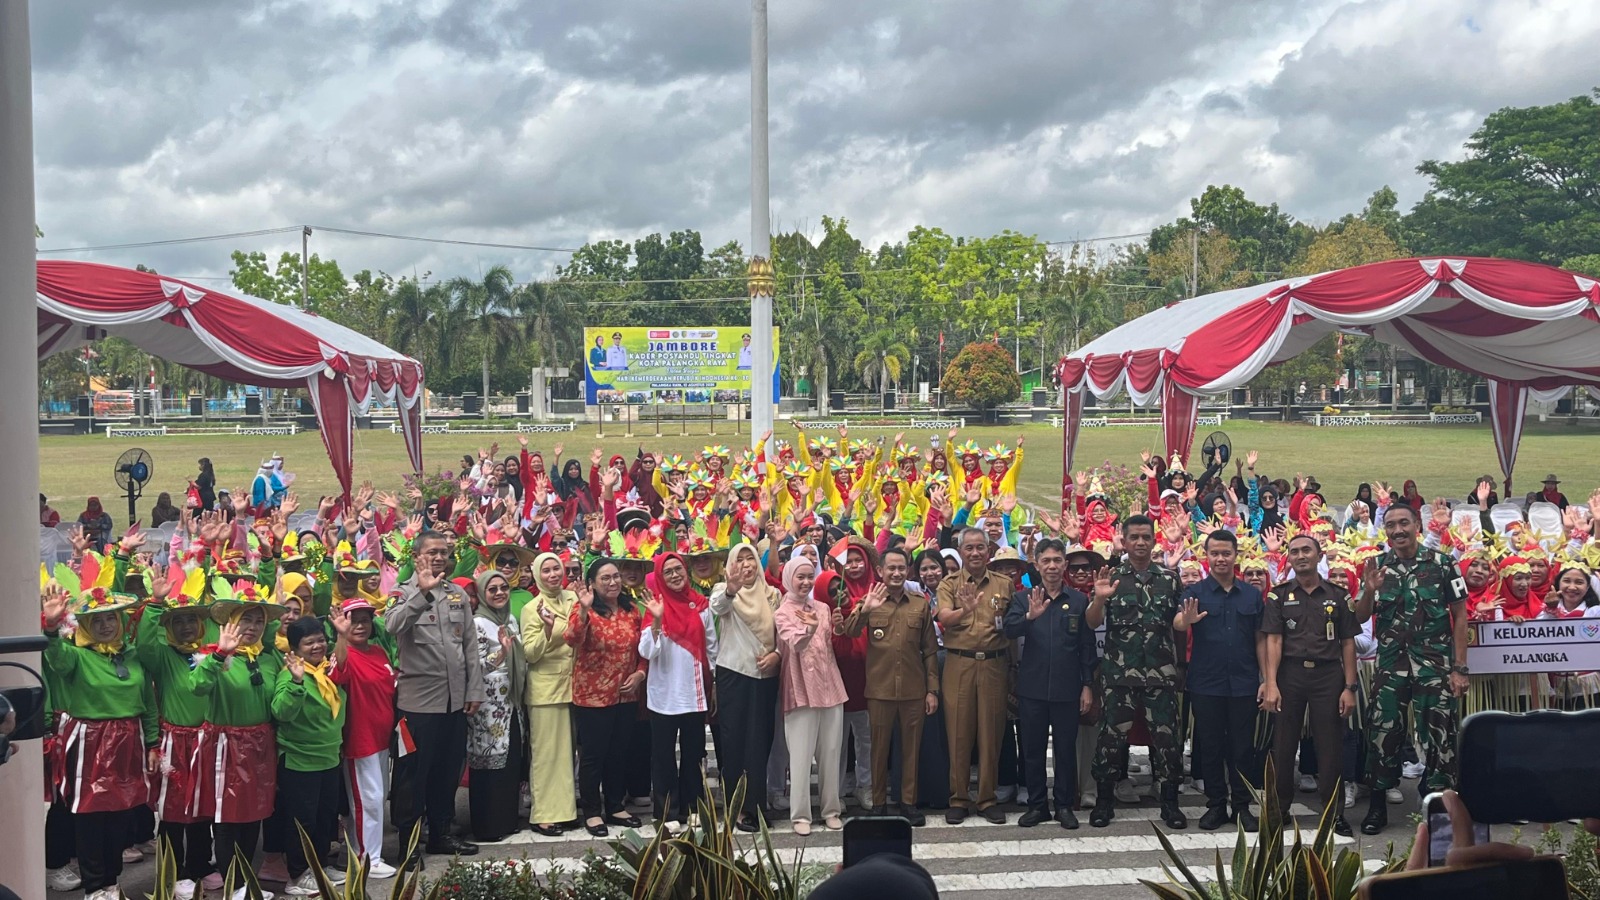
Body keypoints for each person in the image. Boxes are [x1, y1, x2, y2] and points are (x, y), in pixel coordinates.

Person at [1352, 503, 1470, 834]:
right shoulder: (1377, 566)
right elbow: (1360, 616)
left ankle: (1438, 805)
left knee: (1439, 733)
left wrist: (1460, 668)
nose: (1398, 530)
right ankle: (1377, 807)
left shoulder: (1443, 564)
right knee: (1382, 731)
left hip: (1434, 665)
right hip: (1391, 666)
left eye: (1404, 523)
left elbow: (1460, 615)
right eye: (1391, 525)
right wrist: (1369, 590)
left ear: (1417, 524)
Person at [40, 577, 158, 900]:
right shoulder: (76, 656)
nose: (105, 625)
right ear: (85, 625)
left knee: (122, 813)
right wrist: (51, 628)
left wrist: (153, 743)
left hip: (129, 740)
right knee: (90, 814)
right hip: (89, 741)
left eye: (110, 618)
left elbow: (148, 704)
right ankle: (94, 886)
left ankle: (111, 880)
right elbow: (55, 657)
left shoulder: (132, 656)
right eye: (97, 620)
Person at [384, 531, 485, 865]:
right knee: (411, 778)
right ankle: (409, 843)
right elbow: (392, 625)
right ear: (417, 558)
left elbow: (469, 646)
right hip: (418, 706)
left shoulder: (457, 594)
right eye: (432, 552)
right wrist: (422, 594)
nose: (440, 558)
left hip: (454, 703)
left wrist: (474, 689)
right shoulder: (403, 592)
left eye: (444, 552)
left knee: (447, 772)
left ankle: (441, 834)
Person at [1086, 515, 1187, 829]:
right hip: (1119, 674)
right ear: (1125, 541)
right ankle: (1104, 802)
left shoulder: (1170, 579)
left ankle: (1170, 804)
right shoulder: (1112, 577)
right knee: (1110, 740)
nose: (1140, 542)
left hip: (1161, 673)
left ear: (1154, 541)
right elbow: (1092, 621)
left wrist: (1186, 626)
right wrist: (1099, 598)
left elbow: (1177, 623)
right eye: (1134, 537)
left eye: (1146, 537)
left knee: (1168, 740)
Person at [1259, 534, 1359, 835]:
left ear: (1319, 555)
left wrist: (1349, 688)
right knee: (1283, 745)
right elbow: (1273, 640)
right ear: (1288, 558)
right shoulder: (1278, 596)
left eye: (1306, 550)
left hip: (1328, 676)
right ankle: (1279, 810)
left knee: (1330, 747)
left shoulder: (1338, 595)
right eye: (1294, 552)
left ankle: (1333, 814)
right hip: (1290, 674)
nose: (1301, 556)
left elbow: (1347, 643)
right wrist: (1271, 683)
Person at [195, 582, 285, 900]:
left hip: (260, 745)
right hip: (226, 745)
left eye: (259, 621)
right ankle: (233, 885)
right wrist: (220, 654)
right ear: (231, 622)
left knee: (254, 814)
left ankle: (244, 882)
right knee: (227, 819)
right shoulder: (214, 657)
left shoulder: (269, 659)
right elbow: (197, 686)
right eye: (246, 619)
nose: (252, 626)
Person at [1175, 530, 1266, 832]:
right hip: (1206, 682)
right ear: (1207, 556)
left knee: (1242, 748)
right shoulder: (1195, 592)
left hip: (1244, 682)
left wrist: (1266, 679)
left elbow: (1260, 639)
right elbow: (1178, 622)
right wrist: (1186, 620)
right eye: (1215, 553)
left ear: (1235, 555)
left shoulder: (1251, 595)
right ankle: (1216, 805)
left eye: (1226, 553)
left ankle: (1241, 806)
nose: (1221, 559)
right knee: (1211, 746)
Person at [844, 546, 940, 826]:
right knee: (878, 749)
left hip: (914, 689)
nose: (896, 573)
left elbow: (930, 651)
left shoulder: (920, 604)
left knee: (911, 748)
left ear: (908, 571)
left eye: (901, 568)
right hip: (880, 690)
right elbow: (849, 631)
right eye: (891, 568)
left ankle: (908, 802)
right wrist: (865, 610)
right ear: (880, 571)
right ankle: (878, 803)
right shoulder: (871, 600)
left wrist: (932, 690)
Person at [1003, 539, 1096, 830]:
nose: (1052, 566)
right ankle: (1037, 805)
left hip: (1068, 688)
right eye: (1046, 561)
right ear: (1037, 564)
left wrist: (1087, 685)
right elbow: (1008, 630)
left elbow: (1086, 646)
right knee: (1032, 750)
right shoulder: (1023, 599)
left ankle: (1064, 806)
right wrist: (1029, 617)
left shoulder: (1078, 601)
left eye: (1057, 560)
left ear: (1064, 564)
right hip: (1032, 687)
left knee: (1065, 751)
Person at [136, 567, 218, 897]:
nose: (186, 627)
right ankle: (174, 870)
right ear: (169, 627)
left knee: (203, 806)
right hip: (175, 742)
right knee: (172, 810)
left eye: (191, 620)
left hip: (207, 740)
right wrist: (156, 604)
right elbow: (144, 645)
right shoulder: (163, 656)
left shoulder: (211, 653)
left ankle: (200, 864)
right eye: (178, 621)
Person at [934, 527, 1014, 825]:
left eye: (981, 547)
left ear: (989, 550)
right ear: (961, 551)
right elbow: (944, 617)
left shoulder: (1004, 584)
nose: (976, 553)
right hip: (960, 663)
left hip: (994, 664)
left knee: (991, 732)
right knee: (959, 732)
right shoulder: (949, 583)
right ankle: (958, 798)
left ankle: (987, 798)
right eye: (969, 548)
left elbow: (1012, 626)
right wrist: (964, 611)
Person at [567, 559, 646, 837]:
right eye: (605, 578)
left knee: (619, 752)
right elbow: (572, 639)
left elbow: (643, 648)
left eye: (616, 577)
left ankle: (615, 805)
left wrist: (640, 674)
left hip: (626, 694)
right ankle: (592, 811)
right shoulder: (584, 609)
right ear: (592, 583)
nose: (613, 582)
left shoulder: (631, 609)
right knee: (593, 756)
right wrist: (584, 609)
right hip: (593, 696)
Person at [638, 552, 717, 831]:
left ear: (686, 571)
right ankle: (667, 812)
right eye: (668, 571)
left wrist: (714, 683)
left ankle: (693, 807)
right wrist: (657, 620)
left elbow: (712, 647)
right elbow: (647, 651)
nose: (674, 575)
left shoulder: (701, 605)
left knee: (694, 754)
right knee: (663, 756)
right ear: (660, 576)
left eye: (678, 569)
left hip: (693, 693)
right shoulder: (654, 606)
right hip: (663, 694)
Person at [709, 542, 782, 832]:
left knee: (760, 741)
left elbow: (782, 633)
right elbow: (718, 607)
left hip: (765, 675)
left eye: (749, 559)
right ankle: (737, 808)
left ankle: (756, 805)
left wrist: (777, 655)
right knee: (735, 742)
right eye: (738, 560)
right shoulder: (723, 591)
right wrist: (731, 589)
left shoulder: (772, 594)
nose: (746, 565)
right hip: (734, 673)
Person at [272, 617, 348, 897]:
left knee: (325, 818)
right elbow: (281, 712)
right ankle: (297, 874)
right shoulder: (290, 674)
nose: (317, 646)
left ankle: (319, 865)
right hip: (300, 760)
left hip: (329, 756)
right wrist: (296, 681)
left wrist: (341, 635)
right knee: (302, 822)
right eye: (309, 642)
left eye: (320, 640)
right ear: (294, 648)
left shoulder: (327, 670)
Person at [774, 556, 848, 835]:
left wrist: (838, 628)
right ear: (789, 578)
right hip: (800, 688)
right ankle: (801, 815)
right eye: (800, 577)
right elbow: (795, 644)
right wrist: (809, 628)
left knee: (831, 752)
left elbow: (830, 645)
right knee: (801, 756)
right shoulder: (782, 612)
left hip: (830, 686)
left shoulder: (823, 608)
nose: (806, 582)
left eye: (809, 576)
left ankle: (831, 810)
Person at [326, 595, 398, 879]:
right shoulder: (343, 653)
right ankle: (368, 859)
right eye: (353, 621)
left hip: (382, 740)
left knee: (378, 799)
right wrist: (341, 637)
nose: (359, 626)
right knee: (367, 800)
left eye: (365, 620)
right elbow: (336, 675)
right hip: (360, 739)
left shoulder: (378, 652)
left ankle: (368, 852)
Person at [520, 551, 578, 837]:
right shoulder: (531, 608)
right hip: (546, 691)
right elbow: (530, 654)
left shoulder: (573, 599)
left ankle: (566, 811)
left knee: (567, 755)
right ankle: (543, 815)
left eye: (557, 569)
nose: (553, 574)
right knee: (546, 755)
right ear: (537, 575)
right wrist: (548, 630)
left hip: (575, 687)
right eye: (546, 570)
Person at [465, 570, 525, 842]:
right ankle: (488, 826)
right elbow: (474, 667)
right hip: (488, 705)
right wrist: (501, 652)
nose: (500, 593)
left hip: (511, 702)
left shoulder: (510, 619)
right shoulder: (477, 623)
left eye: (504, 588)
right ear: (482, 594)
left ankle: (507, 820)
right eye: (492, 589)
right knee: (489, 763)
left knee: (509, 761)